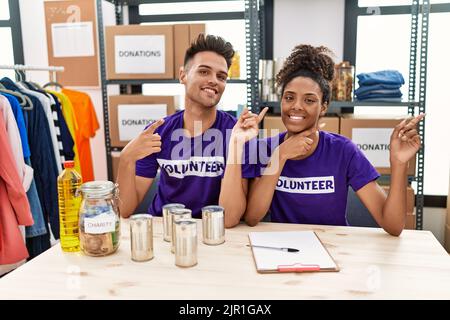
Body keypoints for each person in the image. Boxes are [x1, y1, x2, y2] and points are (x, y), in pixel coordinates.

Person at [225, 44, 424, 236]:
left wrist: (398, 164)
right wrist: (281, 154)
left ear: (323, 107)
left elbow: (393, 226)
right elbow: (252, 217)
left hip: (333, 250)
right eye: (289, 97)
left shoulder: (343, 151)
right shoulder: (265, 149)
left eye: (309, 100)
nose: (296, 106)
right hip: (284, 248)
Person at [117, 33, 254, 218]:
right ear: (183, 75)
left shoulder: (236, 134)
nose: (214, 80)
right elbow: (124, 210)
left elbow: (230, 217)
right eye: (204, 71)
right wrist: (126, 158)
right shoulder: (158, 132)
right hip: (165, 231)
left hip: (212, 232)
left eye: (221, 76)